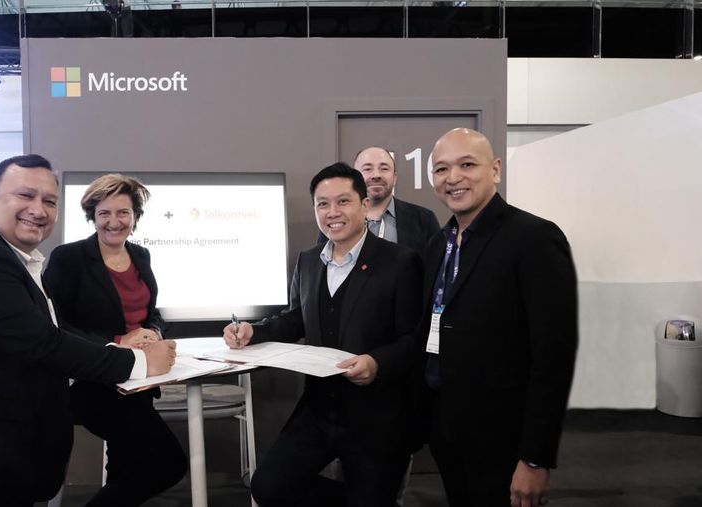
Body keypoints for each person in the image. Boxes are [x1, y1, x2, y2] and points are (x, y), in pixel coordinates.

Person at [0, 154, 177, 507]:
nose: (38, 210)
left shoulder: (14, 258)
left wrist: (151, 336)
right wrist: (139, 361)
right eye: (25, 195)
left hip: (0, 453)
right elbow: (43, 342)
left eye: (49, 201)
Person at [225, 162, 423, 506]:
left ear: (364, 204)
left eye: (343, 201)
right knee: (269, 487)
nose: (332, 212)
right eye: (322, 204)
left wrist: (377, 363)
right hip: (319, 409)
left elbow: (414, 339)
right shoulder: (309, 262)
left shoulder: (401, 262)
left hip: (376, 415)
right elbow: (294, 320)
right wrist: (253, 331)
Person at [416, 128, 577, 507]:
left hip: (504, 440)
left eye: (467, 165)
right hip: (447, 431)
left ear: (496, 170)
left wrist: (535, 457)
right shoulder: (438, 244)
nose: (453, 177)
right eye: (441, 169)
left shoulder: (534, 238)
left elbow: (553, 356)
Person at [44, 174, 187, 507]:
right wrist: (119, 340)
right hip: (94, 384)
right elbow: (55, 324)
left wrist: (154, 332)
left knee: (127, 469)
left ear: (135, 216)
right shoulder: (69, 258)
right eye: (104, 213)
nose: (114, 221)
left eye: (123, 212)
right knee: (167, 463)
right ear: (92, 217)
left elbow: (151, 313)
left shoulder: (141, 256)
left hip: (140, 380)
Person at [318, 145, 439, 254]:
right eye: (367, 169)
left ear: (395, 177)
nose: (376, 175)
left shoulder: (423, 219)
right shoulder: (336, 221)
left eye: (384, 169)